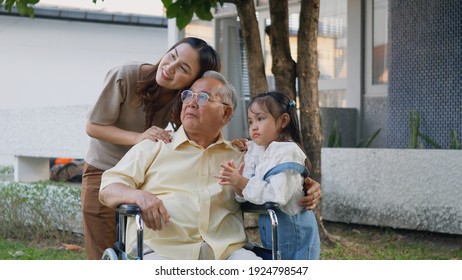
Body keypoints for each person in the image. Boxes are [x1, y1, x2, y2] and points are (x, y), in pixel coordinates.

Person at [81, 37, 222, 259]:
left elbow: (194, 131)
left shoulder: (183, 98)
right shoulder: (125, 75)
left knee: (133, 250)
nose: (169, 68)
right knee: (102, 252)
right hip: (103, 169)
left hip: (144, 178)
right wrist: (138, 138)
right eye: (172, 56)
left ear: (193, 81)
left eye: (183, 68)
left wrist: (231, 144)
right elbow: (93, 126)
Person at [99, 71, 262, 260]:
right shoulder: (154, 145)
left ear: (226, 113)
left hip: (225, 252)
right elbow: (108, 188)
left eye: (203, 97)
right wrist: (139, 196)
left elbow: (275, 183)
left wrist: (304, 189)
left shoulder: (240, 155)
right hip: (161, 250)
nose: (192, 102)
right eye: (189, 95)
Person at [216, 91, 321, 260]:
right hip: (273, 228)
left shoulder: (288, 151)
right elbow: (247, 196)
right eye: (250, 122)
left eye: (260, 119)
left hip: (295, 229)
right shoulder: (256, 150)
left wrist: (242, 182)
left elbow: (276, 196)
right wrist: (236, 183)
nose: (253, 126)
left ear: (283, 121)